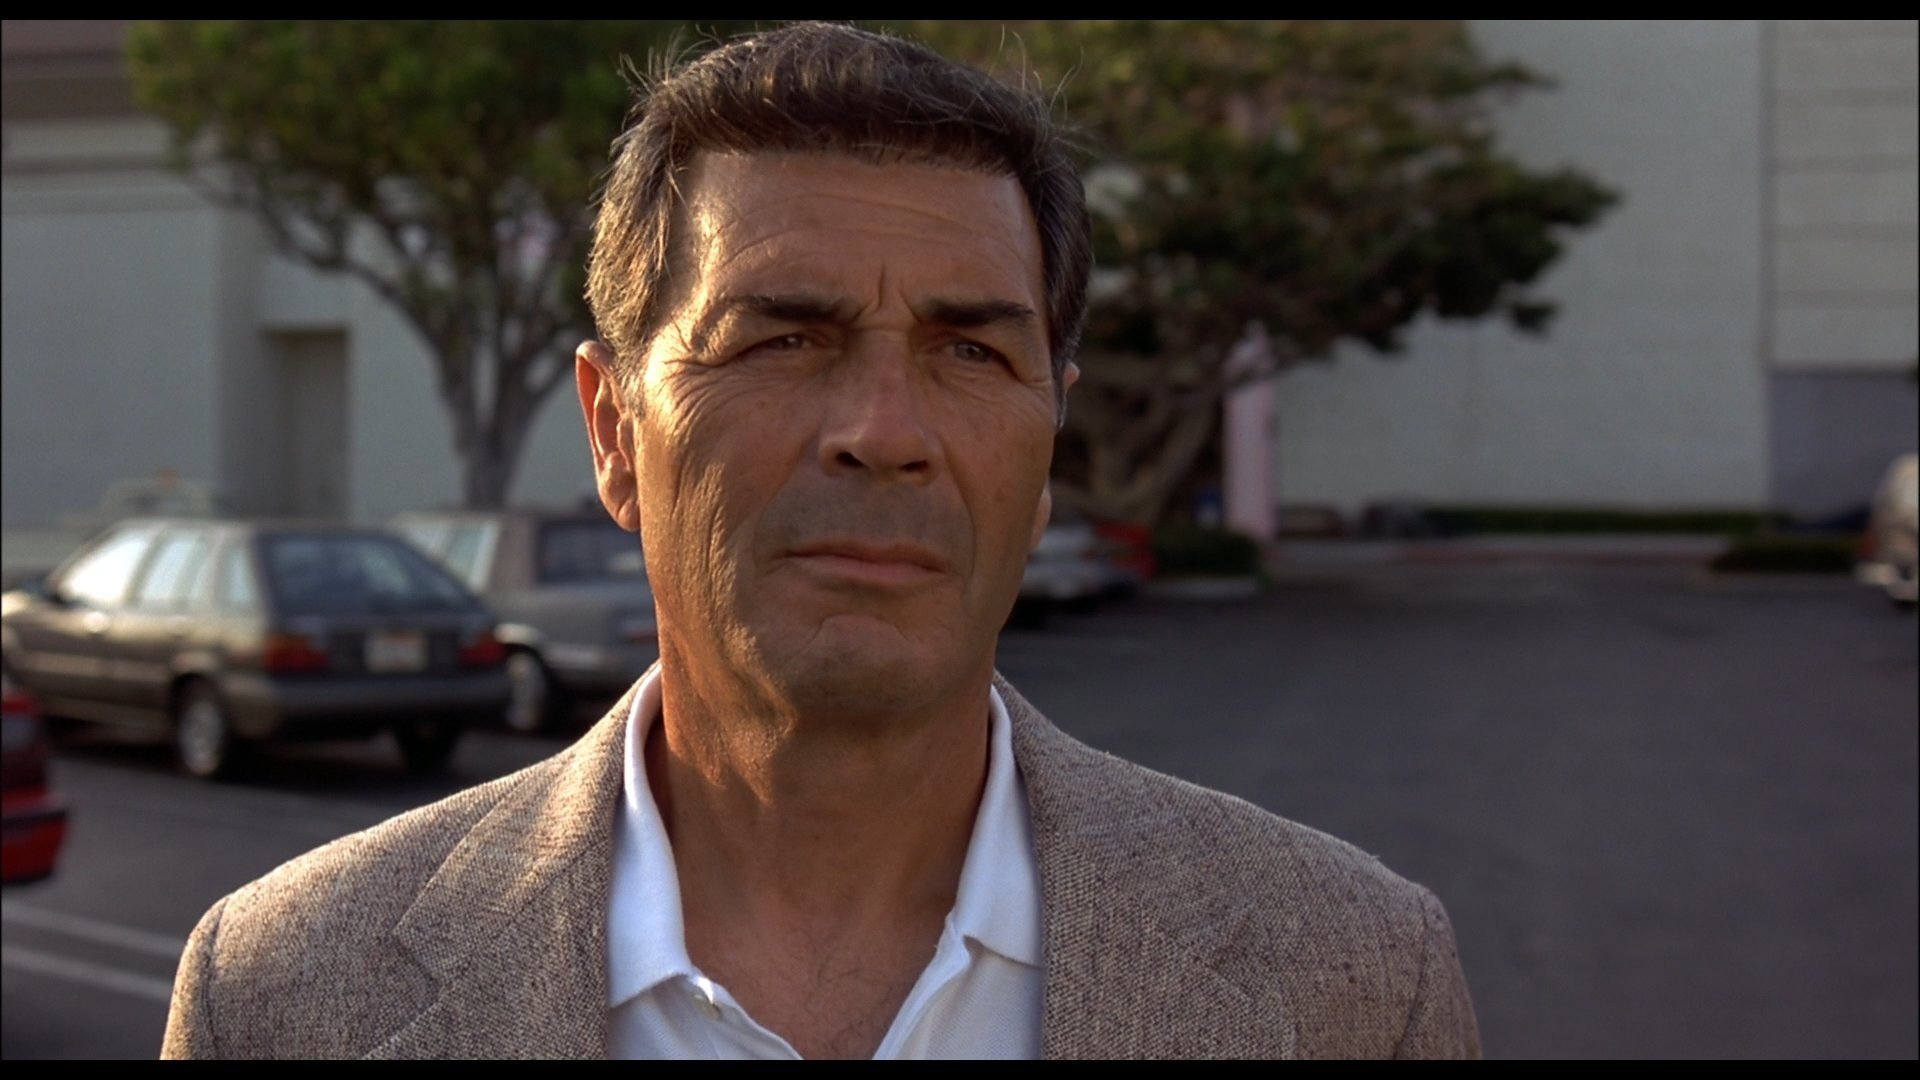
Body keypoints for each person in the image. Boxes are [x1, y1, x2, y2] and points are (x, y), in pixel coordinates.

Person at [162, 23, 1480, 1059]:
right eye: (785, 339)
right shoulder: (281, 994)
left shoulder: (1356, 982)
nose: (886, 432)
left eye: (972, 351)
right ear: (615, 433)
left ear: (1047, 446)